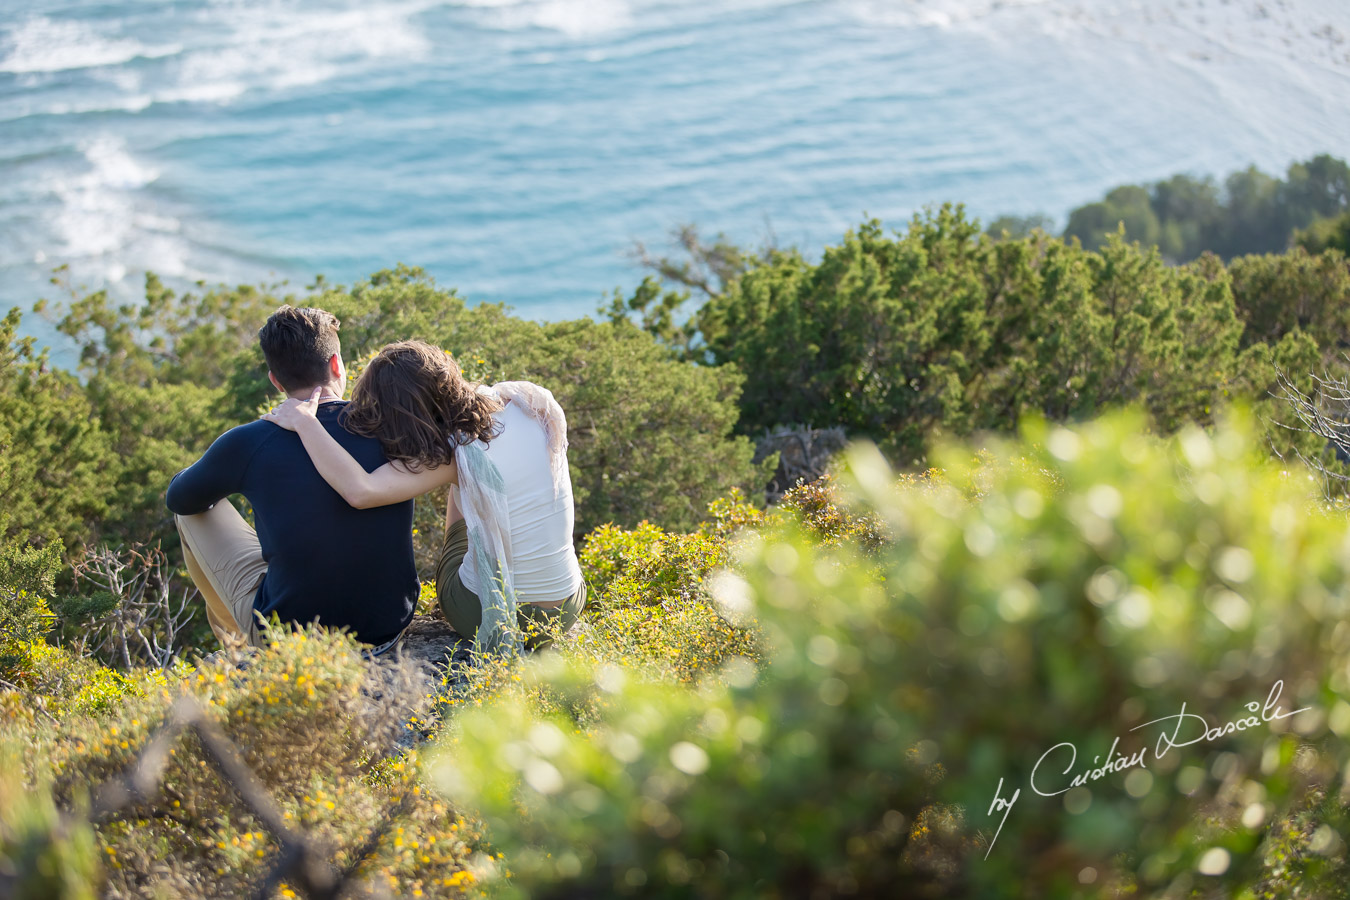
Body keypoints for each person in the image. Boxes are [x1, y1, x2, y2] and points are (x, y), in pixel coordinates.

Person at [261, 340, 584, 654]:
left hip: (491, 615)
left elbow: (360, 491)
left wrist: (305, 423)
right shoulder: (528, 405)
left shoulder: (453, 453)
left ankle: (466, 585)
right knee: (477, 486)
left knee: (467, 499)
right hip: (568, 604)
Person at [166, 306, 418, 653]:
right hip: (387, 629)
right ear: (335, 364)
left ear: (275, 380)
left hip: (291, 640)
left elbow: (179, 498)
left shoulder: (250, 441)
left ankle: (239, 646)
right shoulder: (391, 426)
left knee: (191, 512)